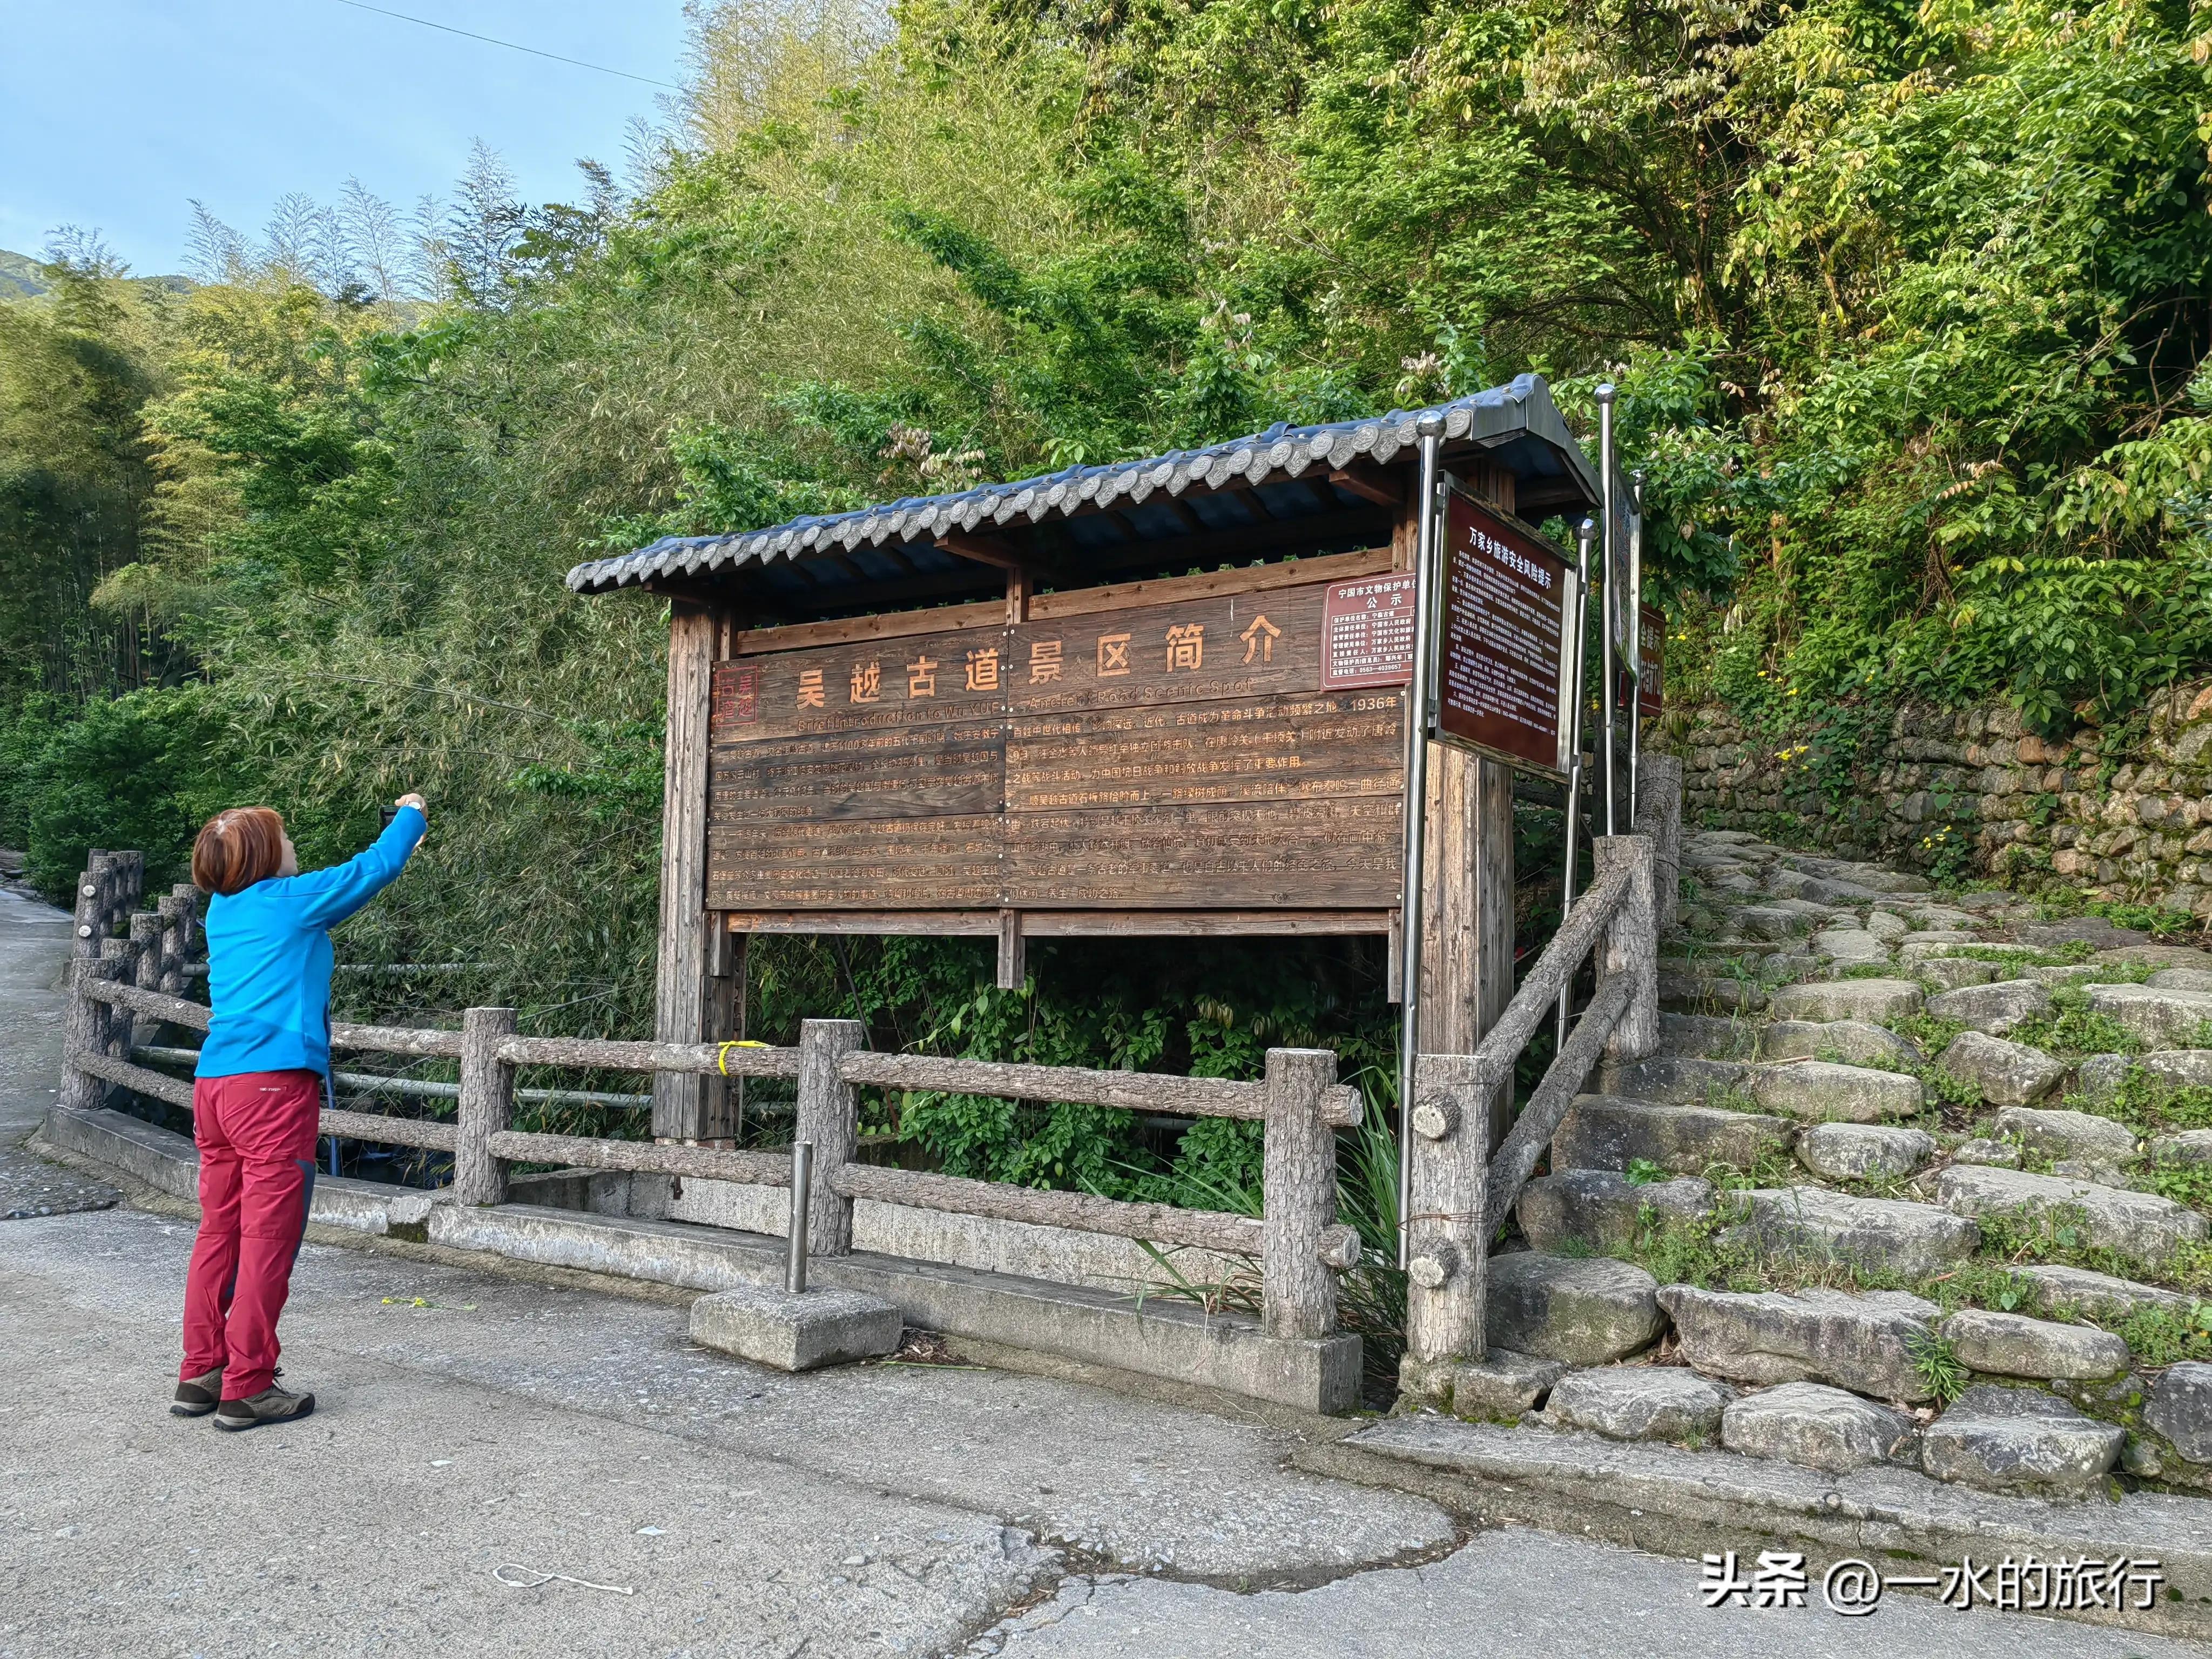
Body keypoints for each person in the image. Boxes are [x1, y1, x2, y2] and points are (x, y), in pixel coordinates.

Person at [172, 795, 428, 1430]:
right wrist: (412, 816)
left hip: (214, 1087)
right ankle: (249, 1385)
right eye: (284, 839)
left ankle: (201, 1372)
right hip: (270, 1090)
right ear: (264, 856)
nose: (293, 847)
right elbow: (372, 870)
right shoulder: (288, 902)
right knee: (266, 1240)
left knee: (218, 1233)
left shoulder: (222, 911)